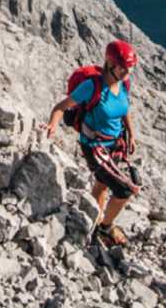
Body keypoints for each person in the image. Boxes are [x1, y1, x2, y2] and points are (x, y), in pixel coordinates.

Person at [43, 40, 141, 246]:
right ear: (110, 64)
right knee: (126, 190)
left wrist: (131, 135)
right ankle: (105, 228)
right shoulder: (92, 86)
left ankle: (93, 224)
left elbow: (125, 110)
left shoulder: (123, 84)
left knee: (102, 184)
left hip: (115, 143)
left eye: (129, 68)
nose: (127, 72)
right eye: (123, 68)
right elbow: (61, 106)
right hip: (94, 146)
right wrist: (52, 125)